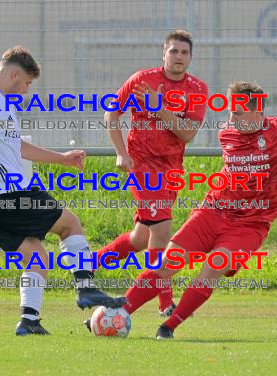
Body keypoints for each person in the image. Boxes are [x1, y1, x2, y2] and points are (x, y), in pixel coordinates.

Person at [87, 74, 277, 339]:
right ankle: (119, 311)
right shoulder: (227, 133)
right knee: (169, 263)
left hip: (250, 224)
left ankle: (168, 326)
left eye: (239, 113)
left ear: (258, 114)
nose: (231, 118)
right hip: (213, 212)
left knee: (212, 266)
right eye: (231, 112)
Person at [0, 46, 126, 336]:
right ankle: (86, 288)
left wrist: (61, 158)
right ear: (13, 74)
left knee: (37, 256)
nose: (26, 90)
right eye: (26, 83)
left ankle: (29, 321)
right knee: (70, 224)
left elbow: (18, 147)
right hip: (7, 196)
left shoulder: (2, 104)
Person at [96, 30, 209, 317]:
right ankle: (164, 303)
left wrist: (160, 109)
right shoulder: (141, 80)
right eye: (174, 51)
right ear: (164, 54)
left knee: (140, 238)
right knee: (162, 231)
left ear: (191, 57)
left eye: (184, 52)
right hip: (142, 166)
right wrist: (121, 152)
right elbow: (112, 114)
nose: (179, 57)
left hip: (171, 169)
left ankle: (88, 264)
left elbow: (186, 134)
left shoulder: (197, 89)